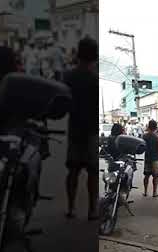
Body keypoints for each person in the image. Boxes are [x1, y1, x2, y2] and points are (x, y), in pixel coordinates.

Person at [64, 37, 99, 220]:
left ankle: (71, 208)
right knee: (92, 172)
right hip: (92, 131)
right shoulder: (95, 79)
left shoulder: (69, 76)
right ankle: (93, 210)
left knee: (73, 171)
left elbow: (62, 104)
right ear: (95, 56)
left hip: (75, 130)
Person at [143, 120, 158, 197]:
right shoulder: (157, 138)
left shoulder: (144, 136)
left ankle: (145, 192)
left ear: (148, 126)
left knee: (146, 176)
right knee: (155, 177)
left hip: (147, 158)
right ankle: (154, 192)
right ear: (155, 127)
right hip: (155, 159)